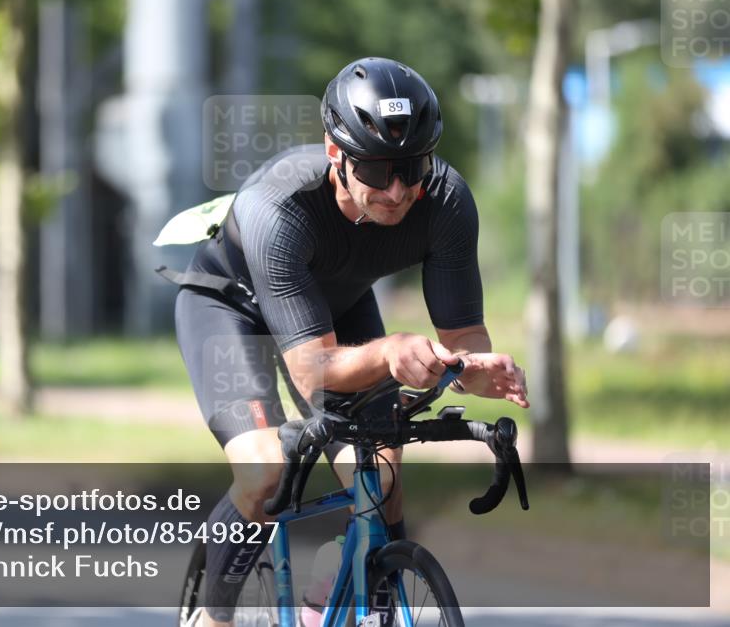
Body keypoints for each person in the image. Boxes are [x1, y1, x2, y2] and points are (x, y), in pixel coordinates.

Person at [170, 57, 529, 627]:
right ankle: (211, 619)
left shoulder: (446, 202)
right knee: (265, 472)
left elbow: (463, 338)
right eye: (376, 170)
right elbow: (313, 370)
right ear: (336, 154)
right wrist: (389, 353)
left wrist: (475, 369)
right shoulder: (279, 206)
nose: (396, 190)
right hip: (232, 310)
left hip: (335, 309)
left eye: (412, 167)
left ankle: (330, 603)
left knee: (381, 479)